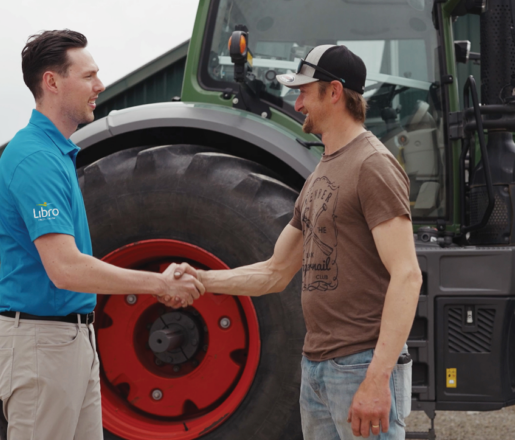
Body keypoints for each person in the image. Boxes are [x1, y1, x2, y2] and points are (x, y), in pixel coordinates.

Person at [164, 44, 422, 439]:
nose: (296, 102)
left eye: (304, 91)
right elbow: (275, 271)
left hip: (359, 366)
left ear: (334, 92)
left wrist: (376, 380)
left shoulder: (373, 165)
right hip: (317, 366)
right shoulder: (322, 172)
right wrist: (200, 279)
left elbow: (407, 276)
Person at [0, 29, 204, 440]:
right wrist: (157, 283)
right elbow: (65, 269)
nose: (99, 86)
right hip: (41, 343)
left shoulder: (56, 153)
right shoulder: (35, 157)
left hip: (67, 338)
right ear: (52, 82)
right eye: (88, 76)